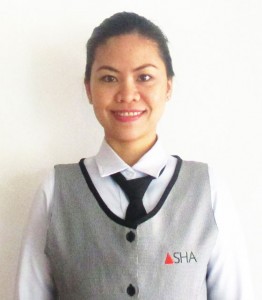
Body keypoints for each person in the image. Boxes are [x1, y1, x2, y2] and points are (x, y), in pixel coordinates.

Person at [15, 12, 253, 299]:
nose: (128, 94)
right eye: (109, 78)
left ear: (168, 86)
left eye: (144, 77)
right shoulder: (55, 191)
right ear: (89, 89)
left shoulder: (207, 189)